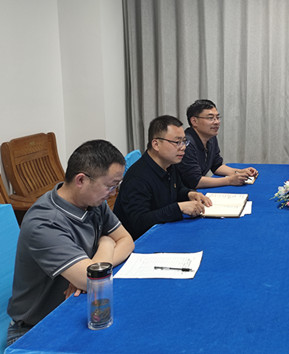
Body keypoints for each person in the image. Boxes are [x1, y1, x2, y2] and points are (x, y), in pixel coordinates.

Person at [6, 140, 135, 346]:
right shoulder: (44, 222)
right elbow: (88, 279)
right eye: (110, 186)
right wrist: (107, 243)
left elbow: (127, 241)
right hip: (35, 328)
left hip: (78, 306)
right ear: (81, 180)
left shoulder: (93, 202)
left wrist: (93, 268)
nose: (113, 193)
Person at [113, 115, 212, 240]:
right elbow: (139, 222)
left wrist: (189, 194)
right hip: (140, 242)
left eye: (184, 141)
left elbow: (177, 189)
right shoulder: (138, 177)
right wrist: (179, 208)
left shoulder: (169, 165)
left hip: (164, 231)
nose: (183, 147)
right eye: (177, 142)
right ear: (156, 144)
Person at [178, 99, 258, 188]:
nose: (216, 122)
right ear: (194, 121)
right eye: (210, 118)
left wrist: (240, 172)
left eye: (217, 117)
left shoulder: (211, 137)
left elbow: (216, 166)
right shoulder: (186, 144)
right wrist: (229, 180)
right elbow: (194, 181)